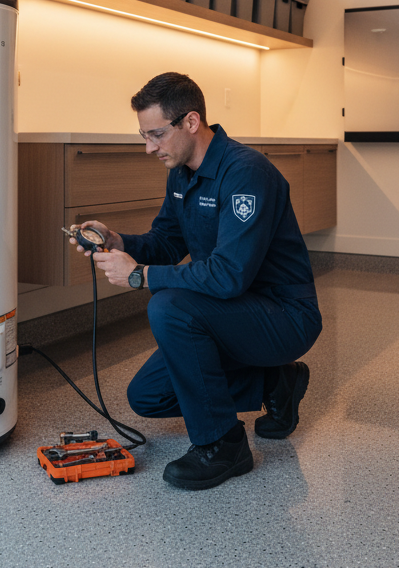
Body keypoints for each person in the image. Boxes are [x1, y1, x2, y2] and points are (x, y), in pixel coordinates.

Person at [73, 72, 321, 490]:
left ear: (191, 122)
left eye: (156, 134)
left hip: (284, 316)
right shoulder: (182, 173)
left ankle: (223, 445)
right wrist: (117, 240)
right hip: (232, 312)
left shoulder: (246, 174)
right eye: (144, 136)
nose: (149, 147)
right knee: (148, 396)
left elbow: (228, 275)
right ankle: (276, 381)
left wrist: (140, 275)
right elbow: (166, 243)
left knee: (169, 304)